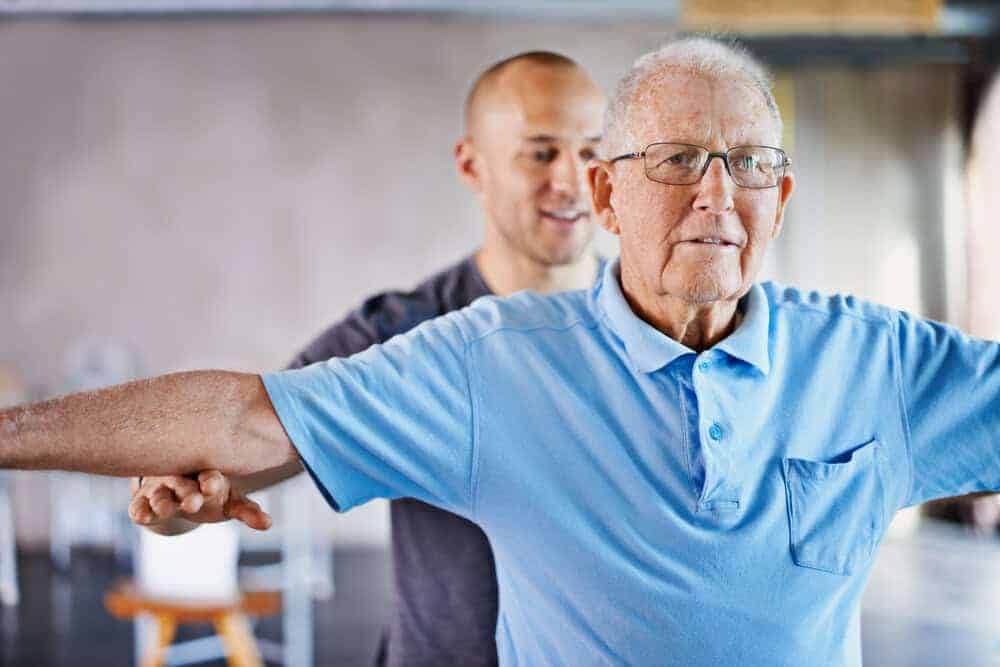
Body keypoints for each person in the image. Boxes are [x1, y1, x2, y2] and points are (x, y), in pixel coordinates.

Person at [5, 35, 1000, 666]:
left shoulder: (876, 363)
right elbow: (245, 420)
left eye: (748, 164)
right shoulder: (479, 354)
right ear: (611, 196)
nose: (715, 194)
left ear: (779, 198)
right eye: (675, 160)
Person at [128, 50, 606, 667]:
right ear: (472, 165)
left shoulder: (650, 324)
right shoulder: (403, 328)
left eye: (592, 151)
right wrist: (181, 504)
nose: (571, 180)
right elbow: (262, 435)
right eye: (540, 152)